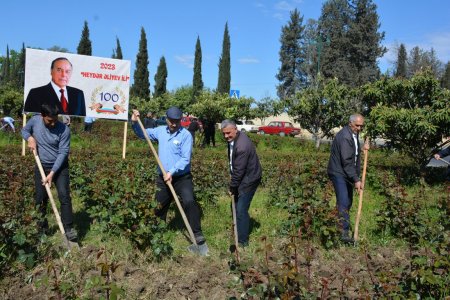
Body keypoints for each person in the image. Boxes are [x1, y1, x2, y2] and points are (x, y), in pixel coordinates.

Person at [130, 106, 207, 248]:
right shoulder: (160, 131)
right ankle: (157, 232)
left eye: (177, 121)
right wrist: (135, 122)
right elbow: (143, 134)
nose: (173, 124)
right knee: (159, 206)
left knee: (189, 201)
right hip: (163, 178)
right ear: (166, 119)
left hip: (181, 177)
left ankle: (196, 232)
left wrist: (171, 172)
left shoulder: (186, 135)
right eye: (171, 121)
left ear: (180, 121)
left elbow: (185, 159)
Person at [21, 104, 78, 242]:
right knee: (41, 198)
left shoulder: (64, 130)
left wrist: (52, 173)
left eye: (55, 120)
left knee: (64, 195)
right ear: (42, 116)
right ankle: (42, 227)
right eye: (49, 121)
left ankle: (68, 229)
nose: (53, 124)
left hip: (59, 168)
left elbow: (63, 153)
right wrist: (29, 138)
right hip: (41, 165)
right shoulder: (35, 120)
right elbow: (24, 130)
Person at [327, 114, 368, 244]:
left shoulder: (353, 133)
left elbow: (352, 153)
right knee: (344, 201)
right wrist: (356, 179)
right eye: (357, 125)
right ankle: (343, 233)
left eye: (362, 126)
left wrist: (362, 149)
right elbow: (346, 161)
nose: (360, 128)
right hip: (338, 172)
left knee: (347, 201)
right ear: (350, 123)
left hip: (346, 173)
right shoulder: (345, 136)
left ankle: (335, 222)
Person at [221, 119, 262, 247]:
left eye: (228, 133)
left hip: (249, 179)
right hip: (243, 176)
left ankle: (243, 242)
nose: (226, 136)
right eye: (223, 134)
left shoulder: (242, 146)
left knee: (241, 209)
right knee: (236, 206)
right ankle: (236, 230)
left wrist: (232, 187)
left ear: (235, 129)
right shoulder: (235, 139)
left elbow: (239, 171)